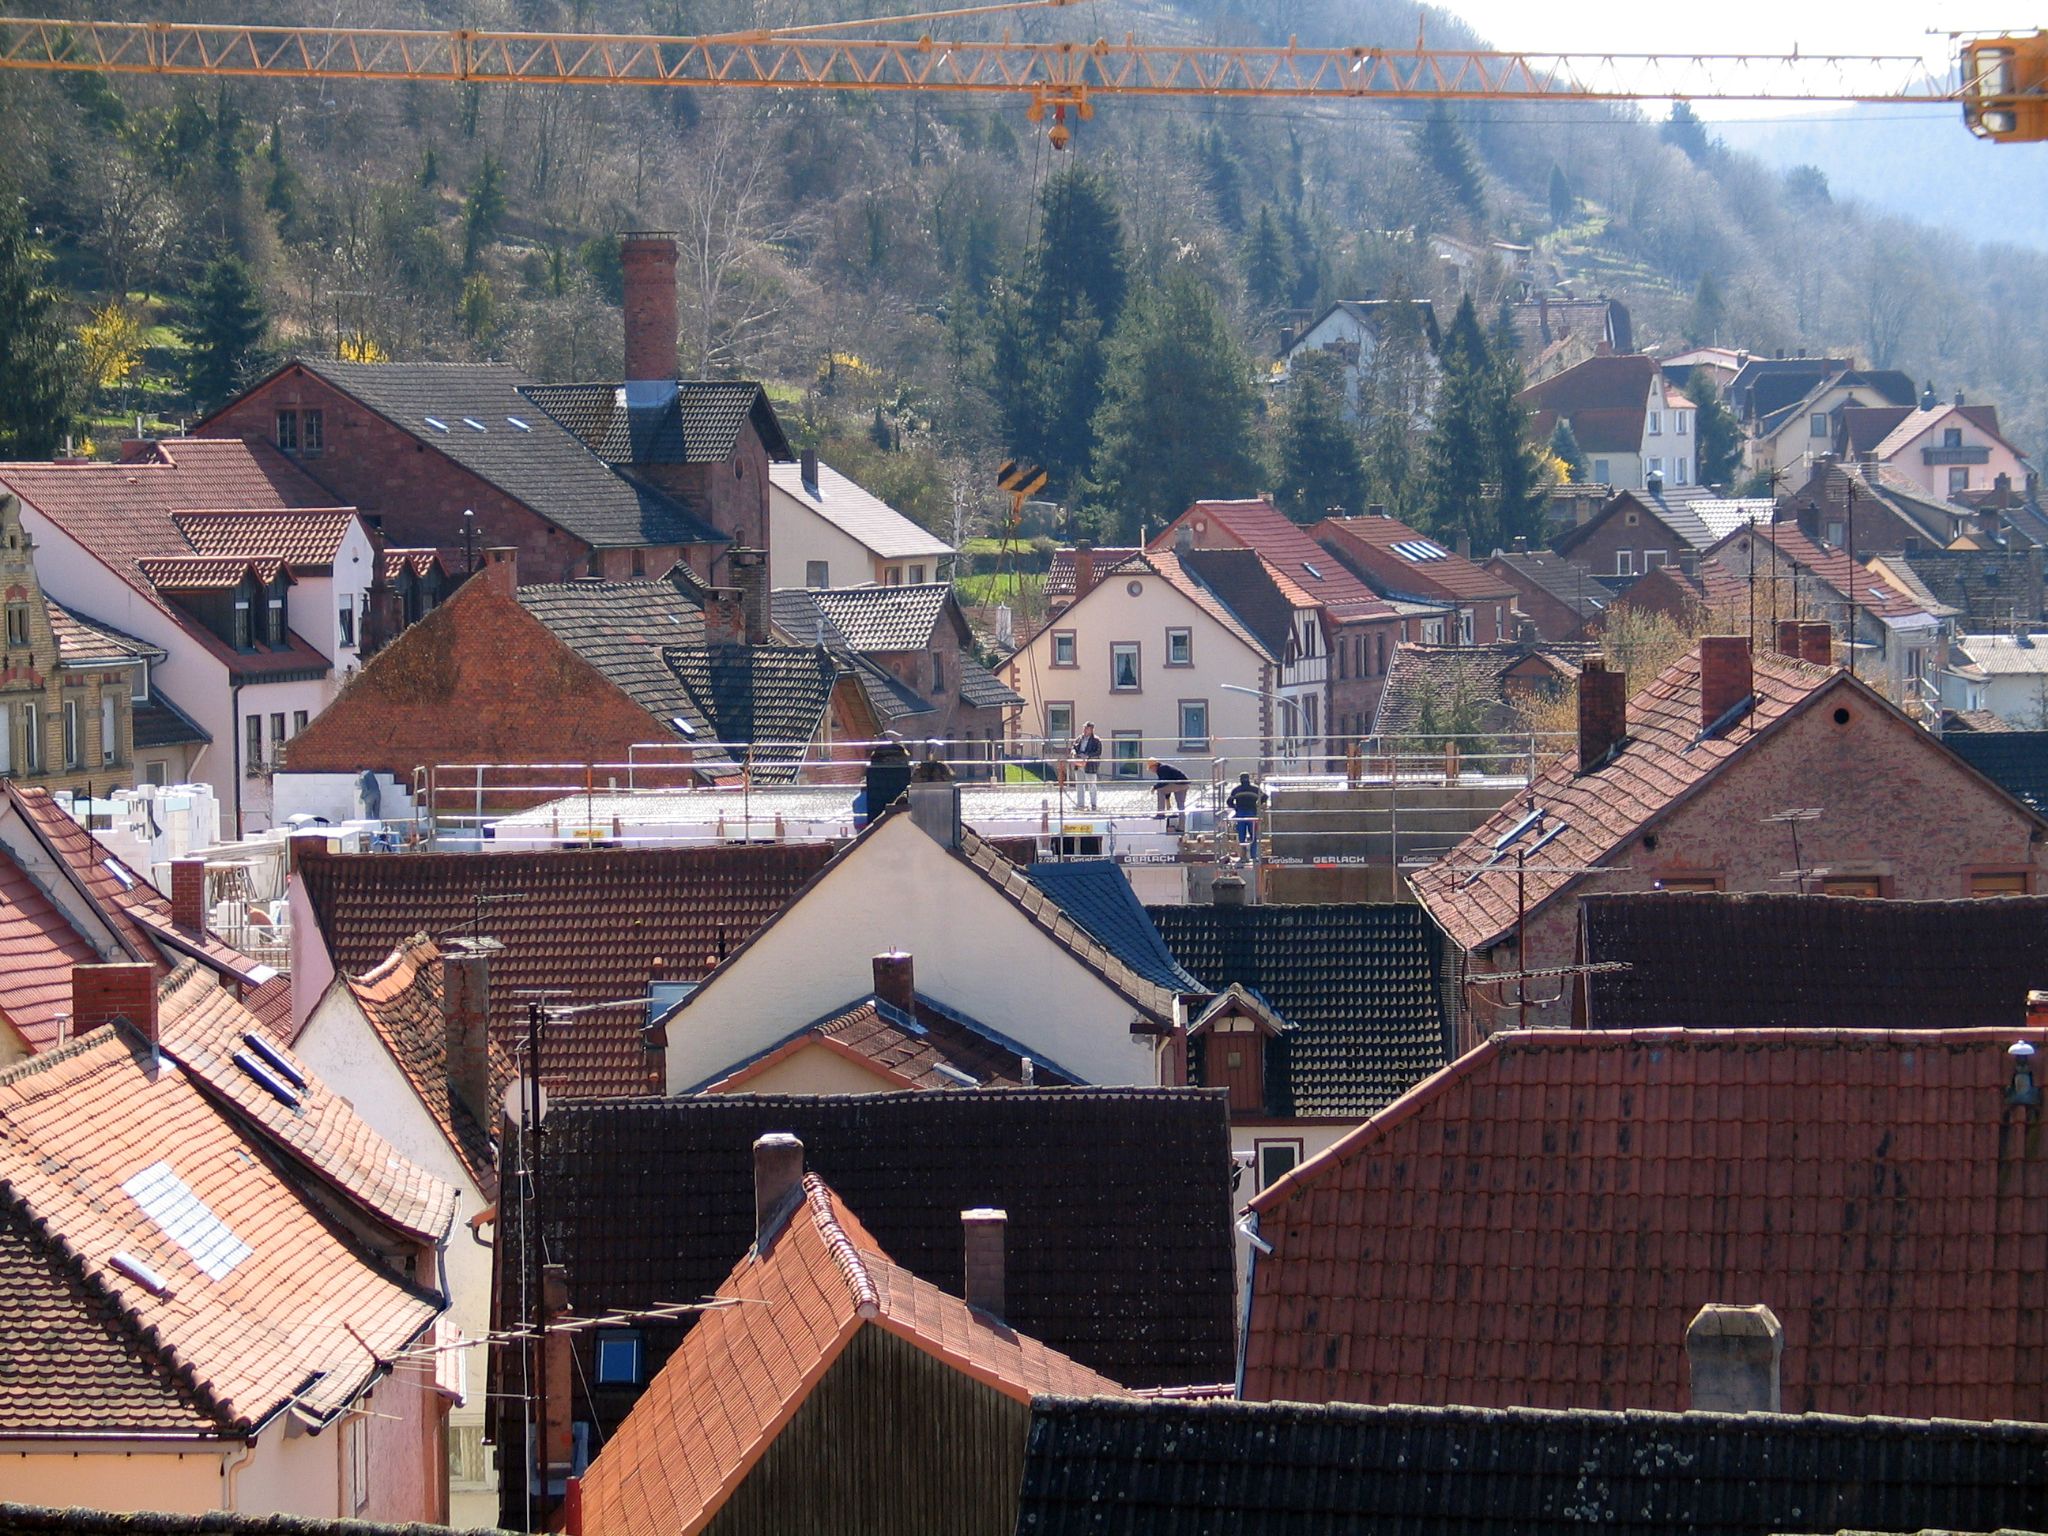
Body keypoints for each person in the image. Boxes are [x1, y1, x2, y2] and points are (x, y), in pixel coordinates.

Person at [1226, 772, 1265, 854]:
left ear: (1240, 780)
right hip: (1252, 813)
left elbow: (1229, 801)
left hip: (1241, 814)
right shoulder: (1255, 789)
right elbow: (1265, 797)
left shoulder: (1236, 790)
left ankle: (1243, 855)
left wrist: (1235, 808)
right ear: (1249, 779)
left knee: (1241, 836)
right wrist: (1258, 805)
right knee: (1253, 836)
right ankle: (1253, 855)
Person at [1070, 722, 1103, 809]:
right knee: (1079, 785)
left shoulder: (1096, 740)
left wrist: (1087, 756)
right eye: (1084, 728)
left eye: (1086, 728)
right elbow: (1073, 747)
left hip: (1090, 765)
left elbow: (1098, 752)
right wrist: (1074, 753)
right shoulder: (1079, 738)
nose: (1084, 730)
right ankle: (1080, 804)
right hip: (1078, 764)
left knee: (1092, 785)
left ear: (1091, 730)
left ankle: (1093, 804)